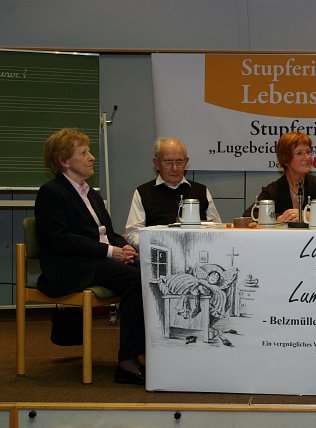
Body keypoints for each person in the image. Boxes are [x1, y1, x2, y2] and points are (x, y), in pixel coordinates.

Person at [34, 128, 146, 385]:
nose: (92, 157)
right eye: (84, 153)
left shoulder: (91, 193)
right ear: (64, 161)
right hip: (70, 265)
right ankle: (127, 362)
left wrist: (124, 247)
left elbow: (108, 233)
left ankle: (149, 352)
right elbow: (62, 240)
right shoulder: (52, 192)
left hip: (97, 259)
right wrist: (111, 252)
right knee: (135, 280)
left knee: (151, 272)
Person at [125, 137, 222, 248]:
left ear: (186, 162)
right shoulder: (143, 192)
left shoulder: (201, 191)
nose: (175, 168)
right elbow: (133, 233)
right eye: (168, 162)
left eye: (179, 162)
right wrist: (158, 245)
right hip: (159, 252)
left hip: (197, 252)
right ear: (156, 163)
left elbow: (217, 228)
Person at [242, 131, 316, 222]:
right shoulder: (274, 189)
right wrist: (277, 218)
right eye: (299, 153)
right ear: (286, 159)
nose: (307, 157)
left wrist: (308, 215)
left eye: (308, 152)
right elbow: (248, 215)